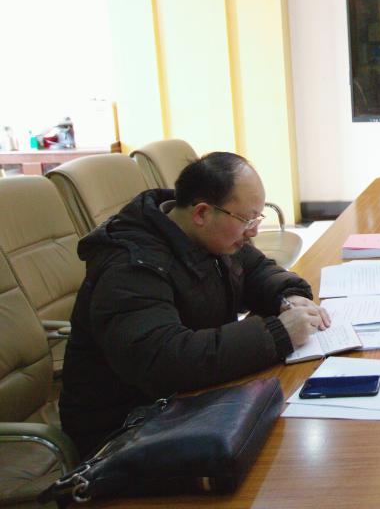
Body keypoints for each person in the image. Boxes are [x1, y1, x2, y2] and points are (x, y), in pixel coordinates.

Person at [59, 152, 330, 457]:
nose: (254, 231)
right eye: (247, 219)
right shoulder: (131, 266)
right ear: (201, 213)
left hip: (187, 401)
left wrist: (287, 295)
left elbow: (255, 269)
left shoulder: (206, 233)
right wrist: (277, 334)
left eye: (257, 218)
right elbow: (165, 361)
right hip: (125, 430)